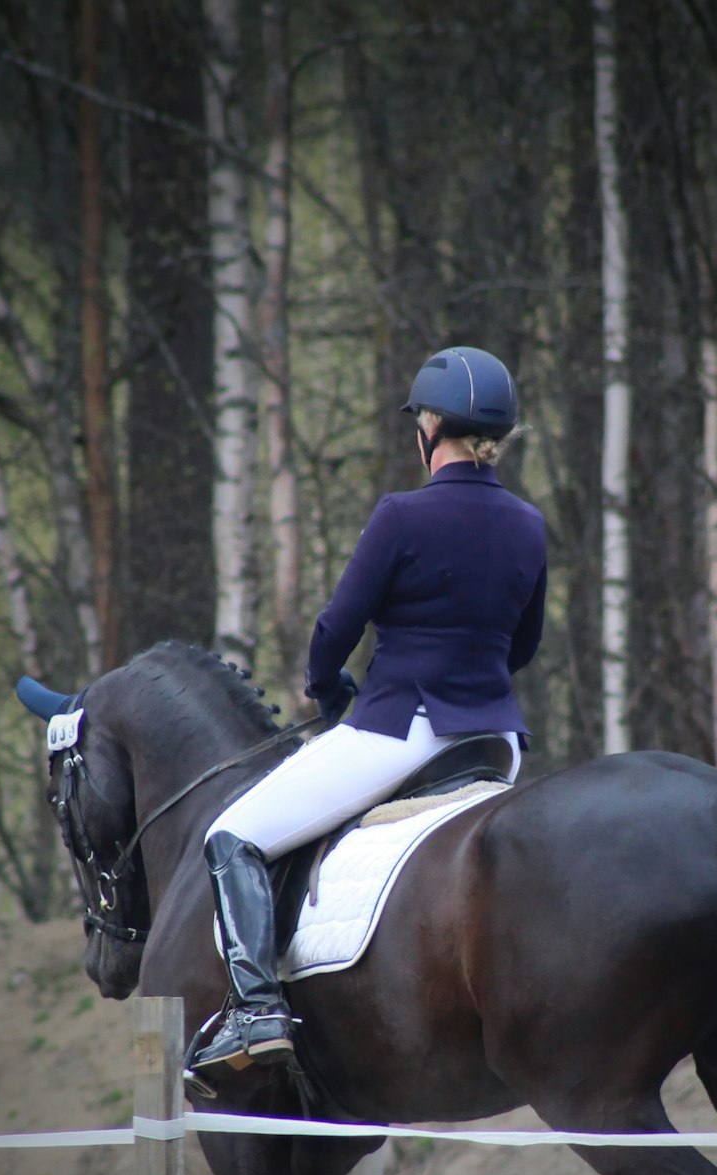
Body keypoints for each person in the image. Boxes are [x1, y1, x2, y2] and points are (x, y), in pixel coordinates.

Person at [192, 345, 547, 1079]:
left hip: (404, 730)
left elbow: (337, 626)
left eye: (419, 418)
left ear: (433, 429)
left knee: (234, 835)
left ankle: (254, 1009)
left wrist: (329, 689)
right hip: (497, 742)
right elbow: (525, 644)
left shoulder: (401, 515)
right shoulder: (527, 524)